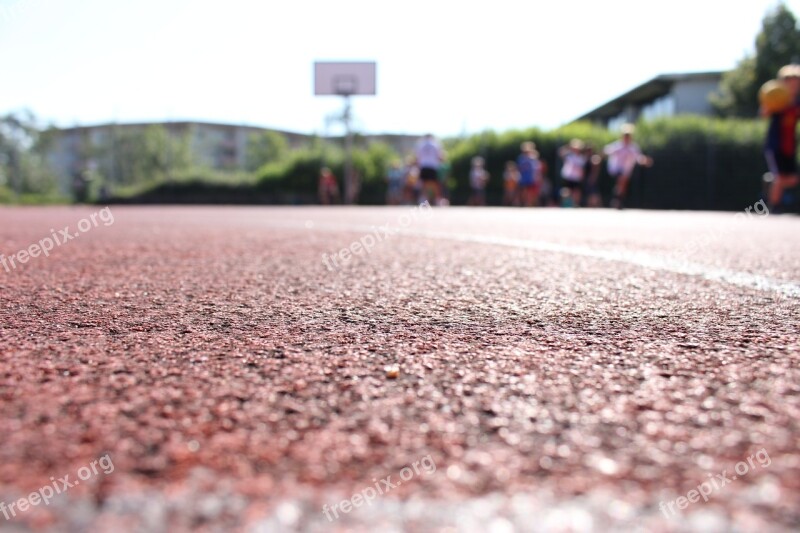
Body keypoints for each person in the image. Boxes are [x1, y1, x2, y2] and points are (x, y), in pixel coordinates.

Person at [764, 64, 800, 211]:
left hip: (790, 146)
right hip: (775, 144)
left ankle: (770, 182)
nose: (793, 85)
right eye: (789, 82)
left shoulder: (798, 103)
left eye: (796, 83)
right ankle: (773, 208)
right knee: (779, 178)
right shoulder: (777, 99)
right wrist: (770, 106)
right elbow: (763, 113)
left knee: (793, 180)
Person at [603, 124, 653, 209]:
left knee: (623, 185)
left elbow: (639, 157)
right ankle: (617, 197)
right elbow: (606, 151)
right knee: (621, 179)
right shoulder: (617, 146)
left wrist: (645, 160)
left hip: (626, 170)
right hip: (615, 169)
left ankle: (619, 199)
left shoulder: (633, 147)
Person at [415, 133, 445, 205]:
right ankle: (437, 199)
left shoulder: (421, 144)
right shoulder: (436, 144)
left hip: (423, 166)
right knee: (435, 184)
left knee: (424, 184)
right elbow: (440, 156)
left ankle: (424, 199)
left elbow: (418, 157)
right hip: (432, 166)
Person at [558, 138, 586, 207]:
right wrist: (568, 146)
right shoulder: (568, 155)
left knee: (576, 192)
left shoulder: (581, 158)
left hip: (576, 177)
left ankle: (575, 204)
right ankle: (564, 204)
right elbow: (560, 152)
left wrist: (582, 176)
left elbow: (582, 169)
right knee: (566, 191)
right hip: (568, 176)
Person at [517, 141, 541, 207]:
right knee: (524, 191)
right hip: (524, 177)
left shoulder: (533, 158)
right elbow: (520, 167)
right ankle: (525, 202)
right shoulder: (521, 158)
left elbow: (536, 168)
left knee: (530, 191)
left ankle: (529, 203)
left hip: (530, 177)